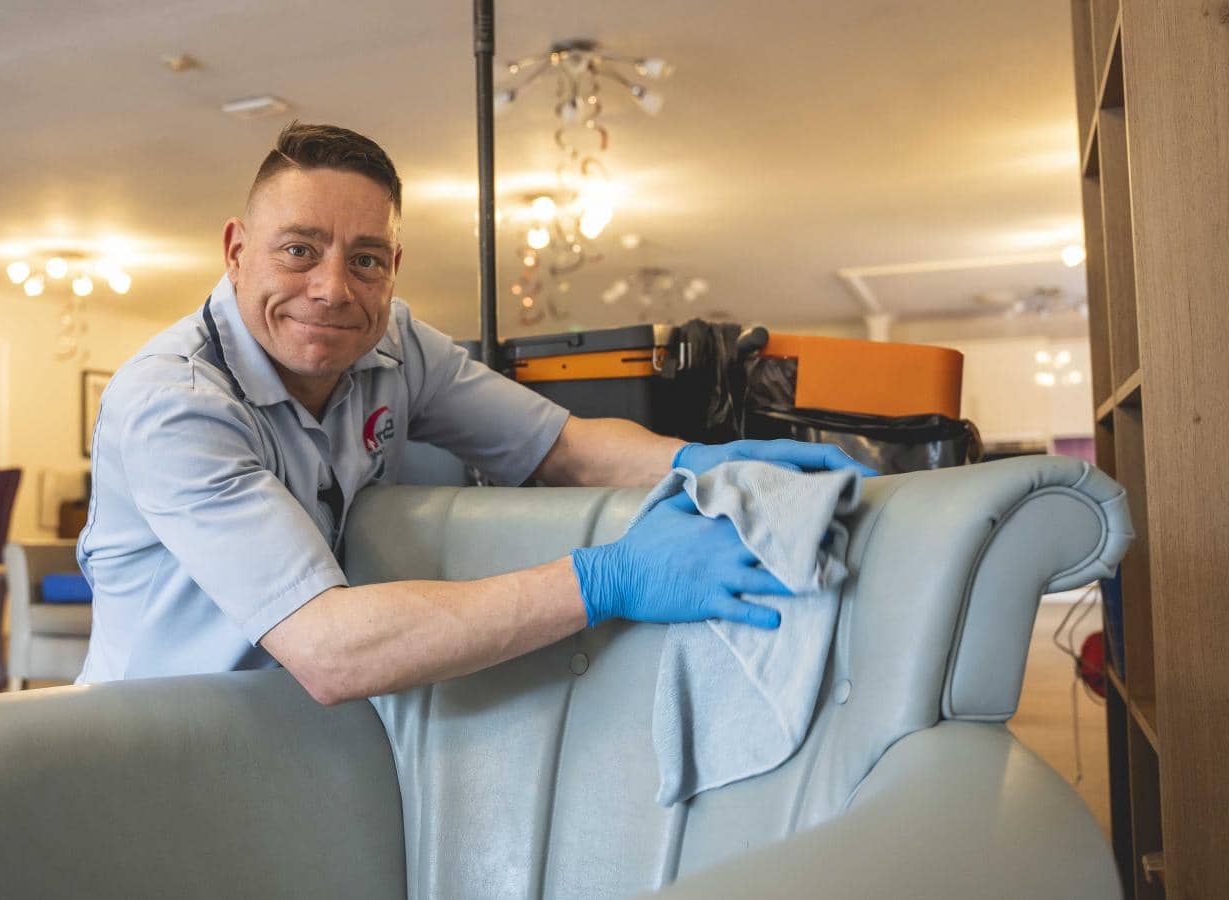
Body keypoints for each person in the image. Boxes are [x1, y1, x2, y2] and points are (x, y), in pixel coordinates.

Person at [76, 122, 869, 702]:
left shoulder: (396, 345)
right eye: (298, 249)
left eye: (365, 260)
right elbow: (328, 648)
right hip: (151, 731)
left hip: (299, 731)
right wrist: (608, 578)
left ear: (393, 268)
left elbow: (564, 445)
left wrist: (704, 462)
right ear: (236, 249)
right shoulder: (173, 402)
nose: (332, 288)